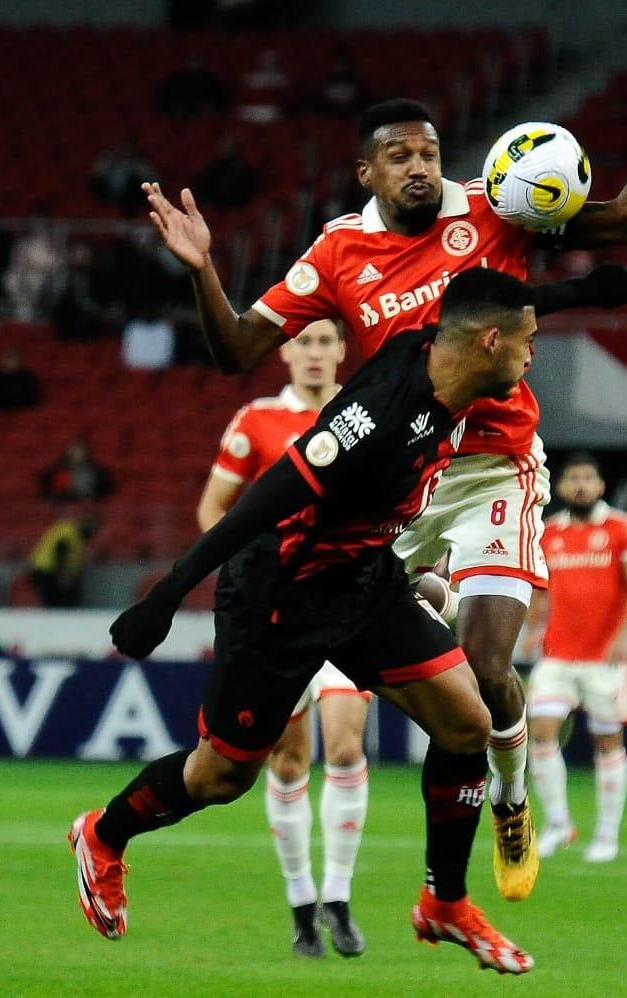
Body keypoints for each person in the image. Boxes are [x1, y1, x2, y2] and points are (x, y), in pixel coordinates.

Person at [139, 23, 627, 903]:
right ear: (365, 173)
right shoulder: (336, 251)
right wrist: (203, 269)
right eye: (398, 155)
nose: (419, 166)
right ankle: (354, 664)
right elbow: (233, 350)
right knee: (343, 654)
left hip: (495, 466)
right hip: (397, 483)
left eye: (430, 151)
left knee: (488, 674)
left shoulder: (493, 203)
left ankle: (513, 802)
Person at [70, 269, 541, 972]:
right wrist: (164, 597)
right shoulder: (377, 422)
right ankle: (103, 834)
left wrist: (587, 285)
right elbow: (261, 502)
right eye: (526, 343)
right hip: (279, 597)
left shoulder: (434, 349)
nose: (531, 359)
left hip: (364, 579)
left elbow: (479, 307)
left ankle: (443, 902)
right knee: (220, 780)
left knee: (468, 724)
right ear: (489, 344)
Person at [195, 318, 369, 958]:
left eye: (326, 342)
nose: (315, 353)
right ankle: (301, 908)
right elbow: (213, 509)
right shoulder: (257, 421)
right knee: (290, 760)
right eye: (304, 342)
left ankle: (340, 897)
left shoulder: (366, 412)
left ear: (341, 351)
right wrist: (249, 566)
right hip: (277, 616)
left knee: (346, 748)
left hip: (349, 608)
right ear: (286, 352)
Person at [523, 455, 627, 864]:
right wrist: (530, 627)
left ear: (601, 486)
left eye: (588, 478)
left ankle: (607, 833)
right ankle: (560, 822)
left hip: (604, 658)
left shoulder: (620, 526)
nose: (580, 485)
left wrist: (624, 637)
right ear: (559, 487)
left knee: (607, 740)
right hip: (557, 654)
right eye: (572, 478)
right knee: (539, 730)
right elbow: (540, 590)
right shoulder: (549, 531)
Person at [27, 505, 93, 608]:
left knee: (53, 600)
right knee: (58, 599)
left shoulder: (66, 529)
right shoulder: (71, 531)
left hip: (42, 567)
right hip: (48, 569)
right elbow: (60, 550)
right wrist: (62, 573)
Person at [39, 438, 115, 503]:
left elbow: (106, 493)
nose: (76, 453)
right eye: (74, 450)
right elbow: (46, 493)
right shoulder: (55, 471)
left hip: (89, 510)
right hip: (62, 509)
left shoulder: (98, 471)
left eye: (79, 450)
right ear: (67, 451)